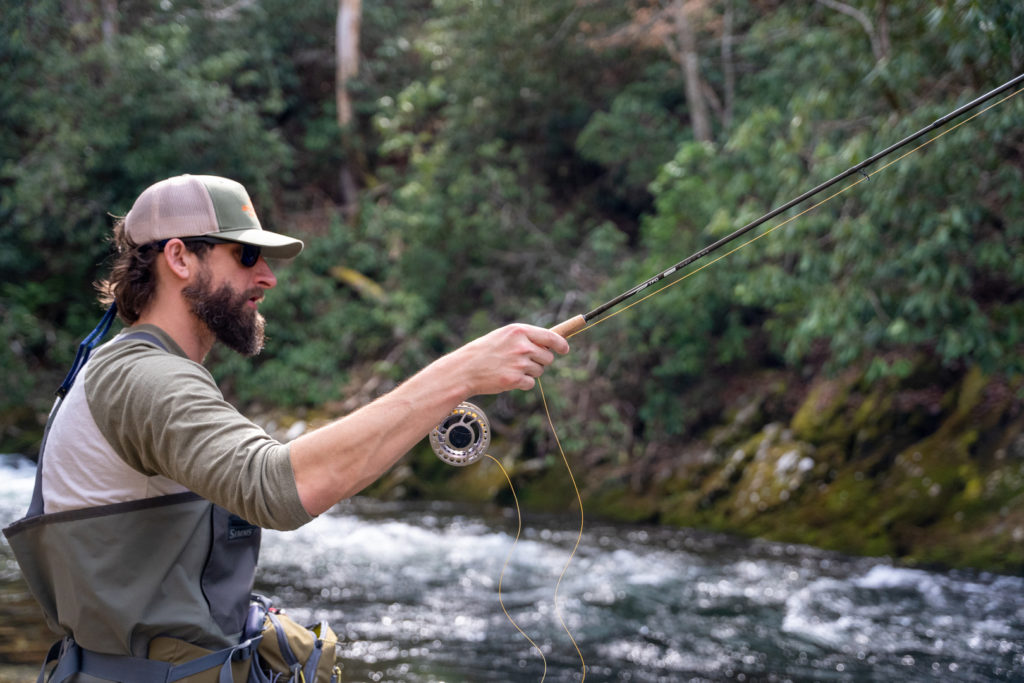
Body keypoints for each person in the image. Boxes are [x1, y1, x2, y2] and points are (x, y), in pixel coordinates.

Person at [3, 174, 569, 682]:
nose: (268, 277)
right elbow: (277, 488)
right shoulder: (144, 378)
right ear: (179, 258)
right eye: (247, 255)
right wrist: (461, 373)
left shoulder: (129, 368)